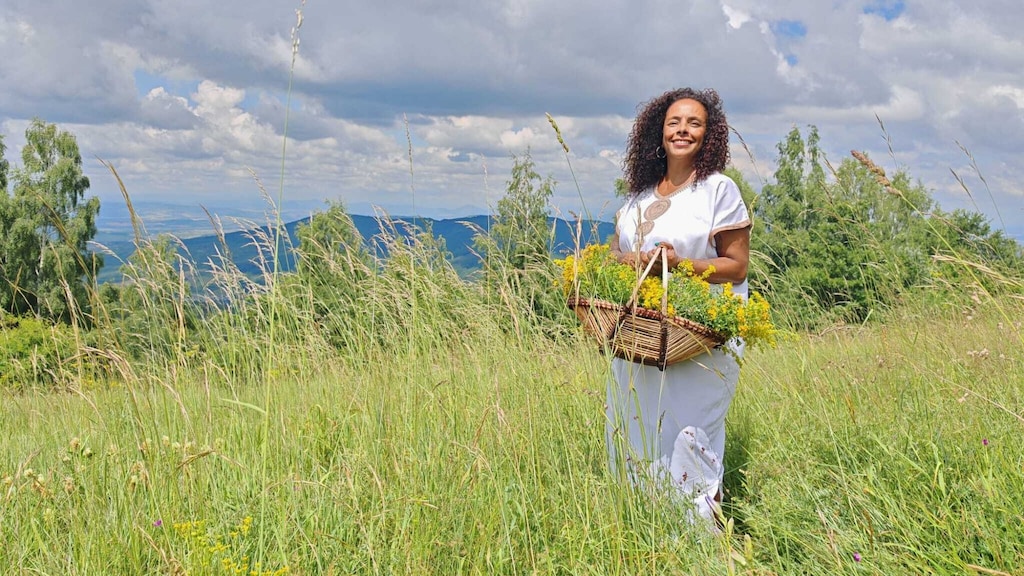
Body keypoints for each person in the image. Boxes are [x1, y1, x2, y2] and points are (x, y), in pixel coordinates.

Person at [607, 87, 751, 527]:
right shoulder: (638, 197)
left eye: (694, 123)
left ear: (709, 135)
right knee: (638, 429)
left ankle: (702, 540)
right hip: (644, 337)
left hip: (700, 339)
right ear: (659, 130)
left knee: (692, 434)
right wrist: (630, 261)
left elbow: (737, 266)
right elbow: (614, 253)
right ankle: (645, 532)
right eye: (674, 122)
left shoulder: (718, 190)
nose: (683, 130)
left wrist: (682, 266)